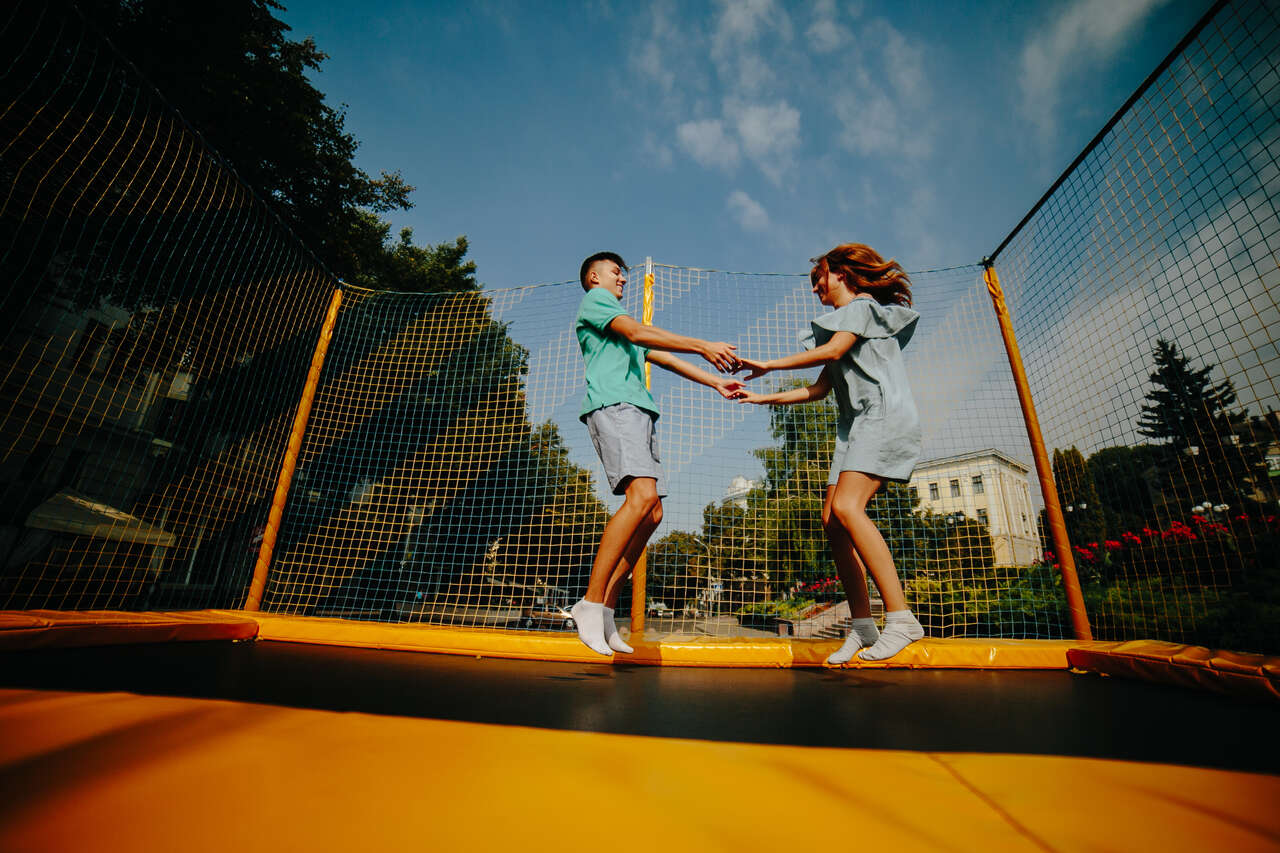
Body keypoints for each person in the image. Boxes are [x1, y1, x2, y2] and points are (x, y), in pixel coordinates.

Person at [736, 243, 924, 663]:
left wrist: (769, 364)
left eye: (819, 278)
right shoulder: (847, 324)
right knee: (833, 521)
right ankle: (862, 627)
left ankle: (901, 617)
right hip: (855, 426)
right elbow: (819, 389)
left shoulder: (861, 306)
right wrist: (760, 399)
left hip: (883, 415)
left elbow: (833, 351)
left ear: (841, 273)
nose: (816, 288)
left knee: (848, 508)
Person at [571, 251, 744, 656]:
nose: (623, 279)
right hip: (614, 406)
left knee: (653, 512)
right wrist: (703, 344)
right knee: (642, 499)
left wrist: (714, 383)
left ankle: (607, 610)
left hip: (639, 410)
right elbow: (637, 334)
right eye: (617, 272)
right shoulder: (598, 304)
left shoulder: (618, 323)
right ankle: (590, 603)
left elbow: (660, 355)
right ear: (594, 277)